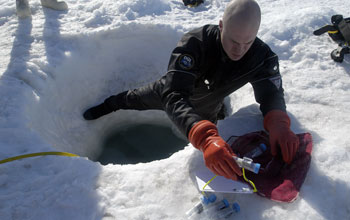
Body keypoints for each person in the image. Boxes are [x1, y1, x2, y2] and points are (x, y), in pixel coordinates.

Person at [83, 0, 299, 180]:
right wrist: (204, 137)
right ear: (221, 25)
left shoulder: (262, 56)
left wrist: (278, 121)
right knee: (132, 99)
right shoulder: (195, 43)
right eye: (233, 41)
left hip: (210, 105)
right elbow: (174, 94)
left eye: (248, 42)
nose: (239, 50)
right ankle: (106, 106)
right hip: (170, 94)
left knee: (213, 129)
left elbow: (271, 92)